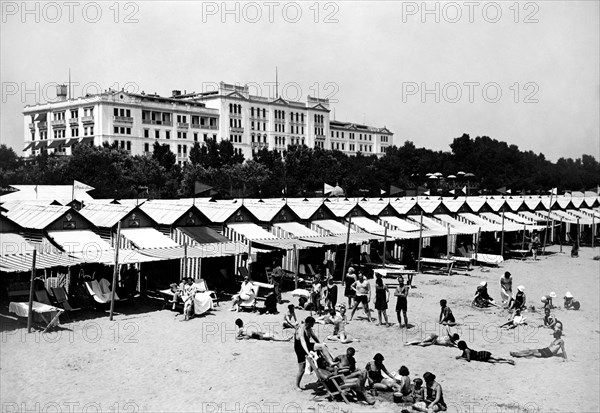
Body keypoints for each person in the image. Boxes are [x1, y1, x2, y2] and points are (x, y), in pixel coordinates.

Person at [295, 316, 320, 390]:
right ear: (308, 323)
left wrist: (319, 344)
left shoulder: (309, 328)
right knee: (301, 369)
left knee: (320, 354)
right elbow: (302, 341)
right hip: (300, 349)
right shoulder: (301, 329)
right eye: (312, 324)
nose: (313, 326)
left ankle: (320, 377)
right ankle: (297, 386)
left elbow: (314, 337)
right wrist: (307, 353)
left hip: (307, 346)